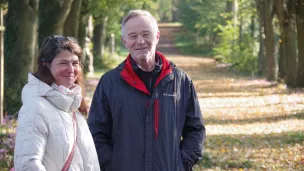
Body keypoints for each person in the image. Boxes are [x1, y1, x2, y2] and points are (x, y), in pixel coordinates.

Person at [88, 10, 206, 171]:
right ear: (124, 41)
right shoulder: (110, 82)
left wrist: (182, 163)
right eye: (133, 36)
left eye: (146, 34)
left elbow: (195, 129)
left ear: (157, 36)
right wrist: (113, 165)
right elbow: (96, 133)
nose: (140, 41)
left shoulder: (180, 81)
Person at [14, 35, 100, 171]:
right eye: (63, 63)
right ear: (45, 65)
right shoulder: (36, 107)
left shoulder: (73, 107)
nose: (71, 69)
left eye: (75, 63)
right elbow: (27, 164)